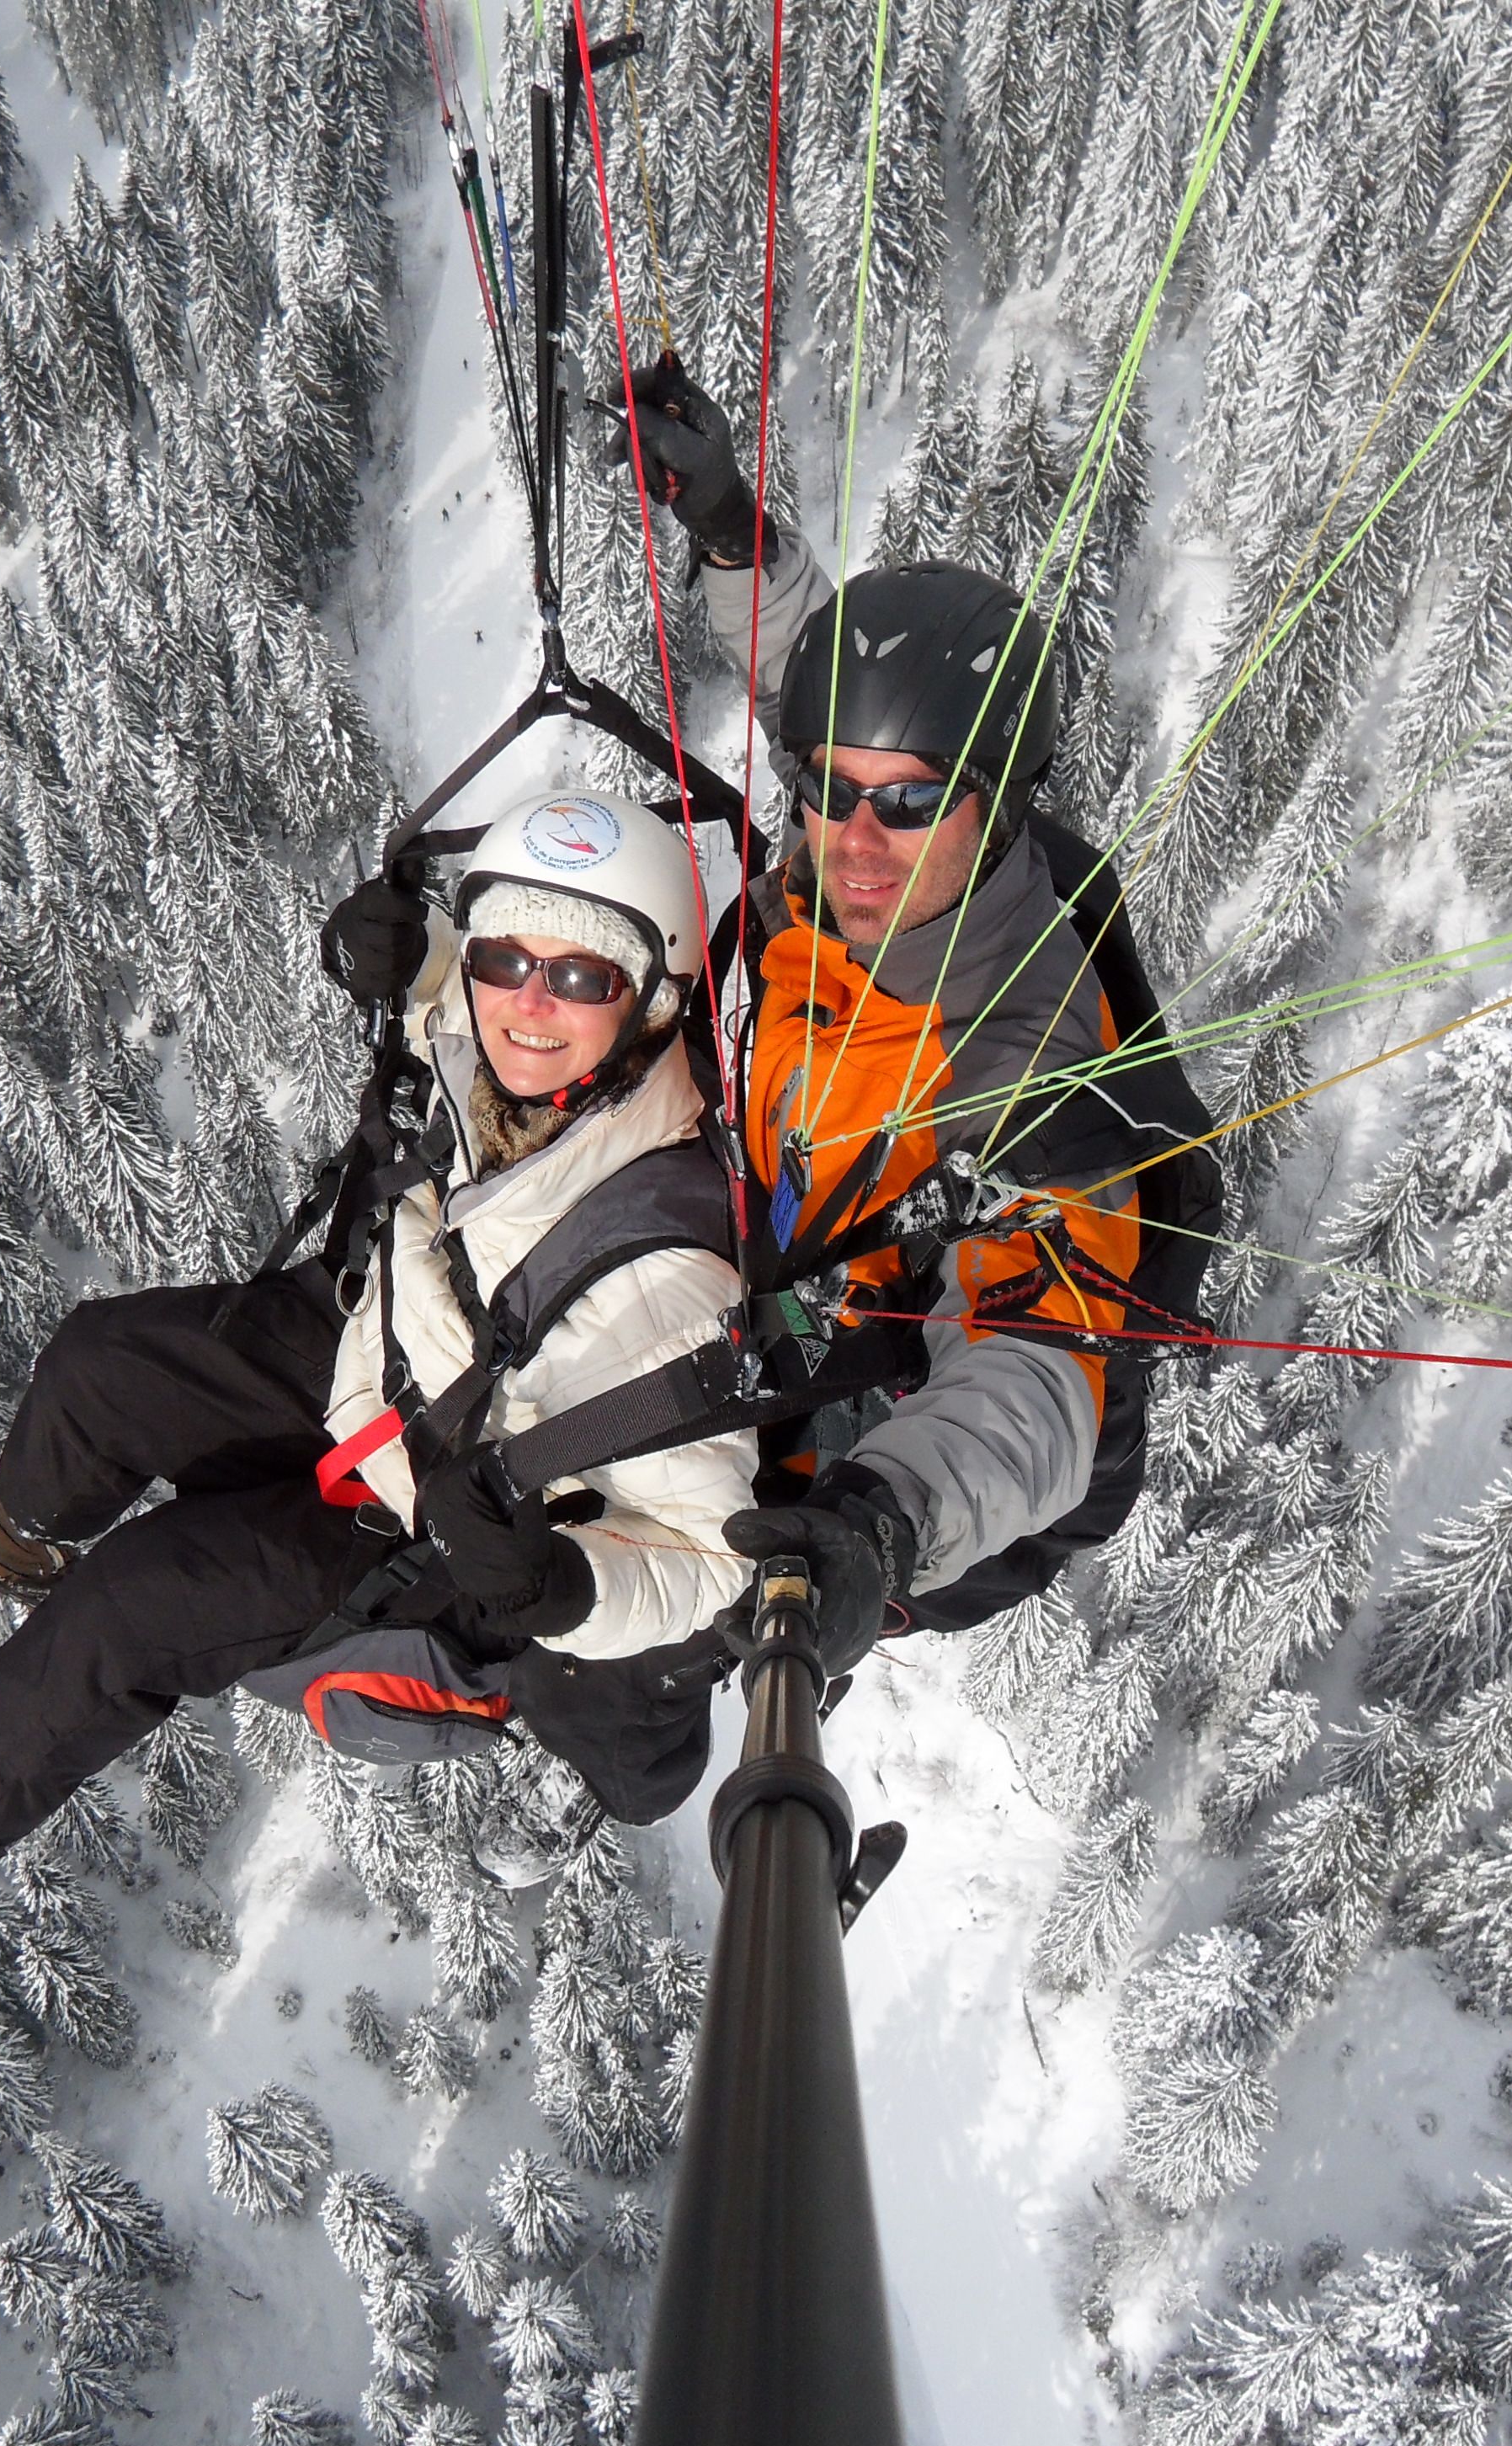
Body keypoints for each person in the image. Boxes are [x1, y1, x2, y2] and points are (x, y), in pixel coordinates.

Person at [327, 363, 1217, 1693]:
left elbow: (1039, 1371)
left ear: (1004, 802)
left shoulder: (1023, 1063)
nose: (855, 839)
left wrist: (879, 1524)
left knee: (604, 1656)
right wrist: (737, 531)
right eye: (825, 791)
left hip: (847, 1419)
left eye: (909, 807)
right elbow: (823, 681)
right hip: (718, 1241)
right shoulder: (854, 872)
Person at [0, 793, 758, 1905]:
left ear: (656, 997)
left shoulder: (661, 1277)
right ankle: (22, 1537)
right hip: (388, 1357)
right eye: (506, 957)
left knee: (133, 1604)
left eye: (582, 976)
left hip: (451, 1515)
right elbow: (471, 1017)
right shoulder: (528, 1059)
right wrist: (424, 957)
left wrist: (563, 1584)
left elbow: (714, 1555)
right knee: (105, 1364)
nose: (528, 1004)